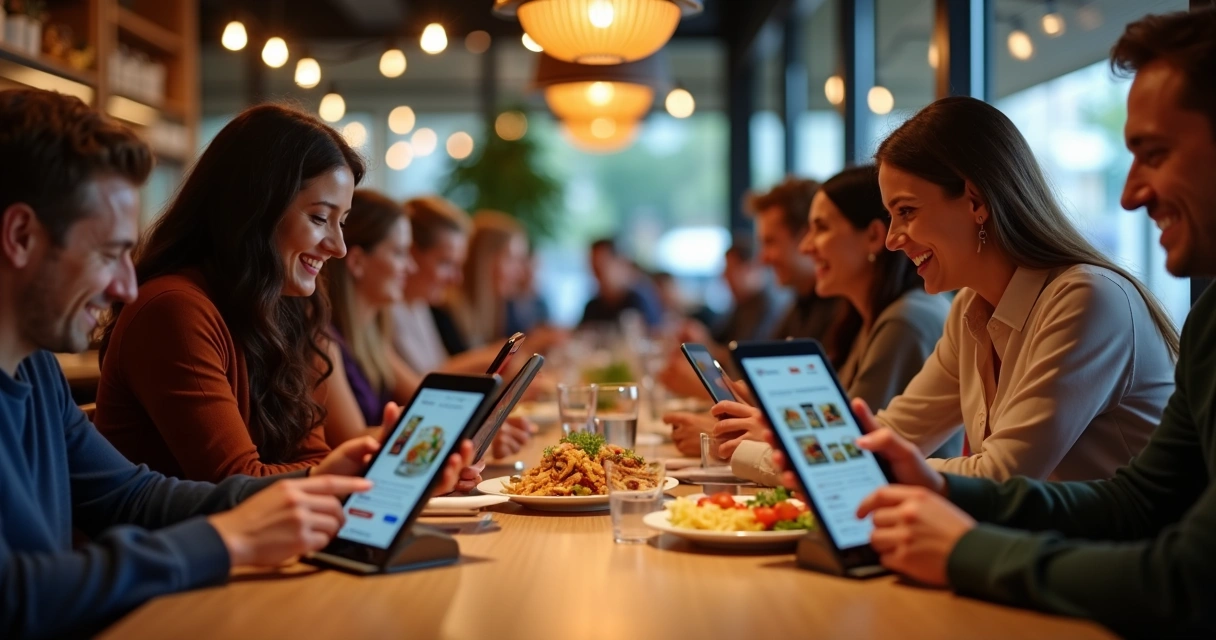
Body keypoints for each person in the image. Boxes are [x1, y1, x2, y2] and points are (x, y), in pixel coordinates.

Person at [773, 11, 1216, 636]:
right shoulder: (970, 310)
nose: (893, 239)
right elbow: (1135, 500)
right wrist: (918, 482)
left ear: (977, 200)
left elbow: (1178, 571)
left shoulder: (1087, 298)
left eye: (906, 213)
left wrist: (957, 538)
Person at [0, 88, 469, 639]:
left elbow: (131, 495)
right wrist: (228, 539)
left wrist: (333, 481)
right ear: (21, 236)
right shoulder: (170, 306)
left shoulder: (35, 372)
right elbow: (14, 595)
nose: (127, 284)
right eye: (109, 254)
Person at [92, 104, 480, 490]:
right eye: (318, 218)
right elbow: (236, 482)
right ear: (254, 209)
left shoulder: (288, 309)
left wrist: (401, 473)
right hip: (186, 548)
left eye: (341, 222)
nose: (339, 247)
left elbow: (313, 459)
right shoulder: (173, 309)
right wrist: (379, 475)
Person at [704, 166, 961, 478]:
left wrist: (763, 435)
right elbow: (837, 438)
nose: (806, 246)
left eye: (821, 228)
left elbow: (847, 454)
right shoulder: (862, 316)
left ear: (873, 237)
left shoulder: (905, 319)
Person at [321, 192, 533, 458]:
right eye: (399, 253)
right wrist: (464, 431)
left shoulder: (369, 334)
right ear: (357, 261)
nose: (409, 267)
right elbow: (351, 443)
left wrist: (476, 427)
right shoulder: (325, 338)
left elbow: (425, 391)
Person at [659, 178, 843, 400]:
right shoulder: (798, 306)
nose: (763, 258)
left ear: (806, 237)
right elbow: (761, 378)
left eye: (771, 242)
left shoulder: (840, 311)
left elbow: (803, 405)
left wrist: (705, 391)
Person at [388, 196, 514, 375]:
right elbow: (429, 384)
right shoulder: (386, 313)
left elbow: (439, 370)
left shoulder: (419, 305)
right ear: (411, 253)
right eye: (445, 263)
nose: (456, 279)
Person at [710, 237, 786, 345]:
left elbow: (747, 354)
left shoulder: (768, 307)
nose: (724, 277)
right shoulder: (741, 304)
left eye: (730, 270)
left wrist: (706, 344)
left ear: (751, 268)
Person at [578, 238, 661, 330]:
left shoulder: (638, 300)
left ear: (619, 263)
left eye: (602, 264)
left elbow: (656, 335)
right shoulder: (592, 306)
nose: (596, 272)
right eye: (594, 265)